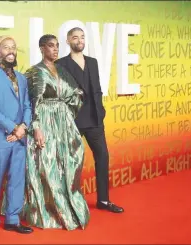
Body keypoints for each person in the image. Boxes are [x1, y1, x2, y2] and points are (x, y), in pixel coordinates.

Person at [23, 34, 90, 230]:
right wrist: (36, 127)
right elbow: (31, 102)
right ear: (41, 48)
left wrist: (65, 111)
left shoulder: (62, 70)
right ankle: (49, 211)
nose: (55, 49)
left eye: (57, 46)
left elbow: (76, 93)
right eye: (50, 46)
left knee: (71, 161)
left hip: (63, 123)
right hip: (44, 123)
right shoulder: (34, 72)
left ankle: (70, 207)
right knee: (47, 165)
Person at [55, 27, 124, 213]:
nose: (80, 40)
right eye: (75, 37)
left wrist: (101, 112)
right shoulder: (60, 64)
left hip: (94, 119)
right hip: (73, 121)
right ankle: (68, 204)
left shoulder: (92, 62)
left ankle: (103, 200)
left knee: (103, 156)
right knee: (71, 162)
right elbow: (60, 94)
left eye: (82, 37)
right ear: (68, 41)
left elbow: (97, 88)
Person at [0, 35, 33, 242]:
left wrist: (23, 128)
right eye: (6, 47)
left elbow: (28, 105)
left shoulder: (22, 78)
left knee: (17, 180)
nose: (11, 51)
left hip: (19, 139)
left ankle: (12, 220)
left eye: (14, 47)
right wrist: (13, 128)